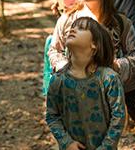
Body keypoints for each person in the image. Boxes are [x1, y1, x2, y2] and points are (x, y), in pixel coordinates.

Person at [48, 0, 135, 150]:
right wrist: (67, 69)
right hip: (77, 84)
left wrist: (117, 66)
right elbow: (54, 49)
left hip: (117, 81)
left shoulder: (120, 22)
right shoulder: (68, 20)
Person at [46, 16, 126, 149]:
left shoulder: (109, 79)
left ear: (94, 45)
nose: (73, 30)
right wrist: (67, 143)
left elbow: (118, 116)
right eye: (72, 27)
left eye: (81, 28)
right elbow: (52, 116)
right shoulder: (58, 80)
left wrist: (106, 147)